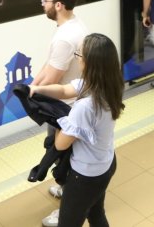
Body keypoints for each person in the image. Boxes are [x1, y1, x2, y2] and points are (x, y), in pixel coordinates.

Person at [29, 34, 124, 227]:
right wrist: (37, 89)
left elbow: (60, 143)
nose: (77, 58)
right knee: (96, 213)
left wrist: (58, 122)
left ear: (89, 63)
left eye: (79, 55)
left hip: (85, 176)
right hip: (106, 163)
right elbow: (64, 91)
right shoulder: (108, 86)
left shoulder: (86, 106)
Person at [32, 0, 90, 224]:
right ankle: (67, 192)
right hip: (69, 104)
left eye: (44, 0)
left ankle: (68, 209)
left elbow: (53, 77)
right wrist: (34, 85)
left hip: (65, 109)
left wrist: (34, 92)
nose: (41, 4)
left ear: (58, 5)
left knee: (65, 158)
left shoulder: (65, 38)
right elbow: (50, 66)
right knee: (66, 155)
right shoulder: (72, 27)